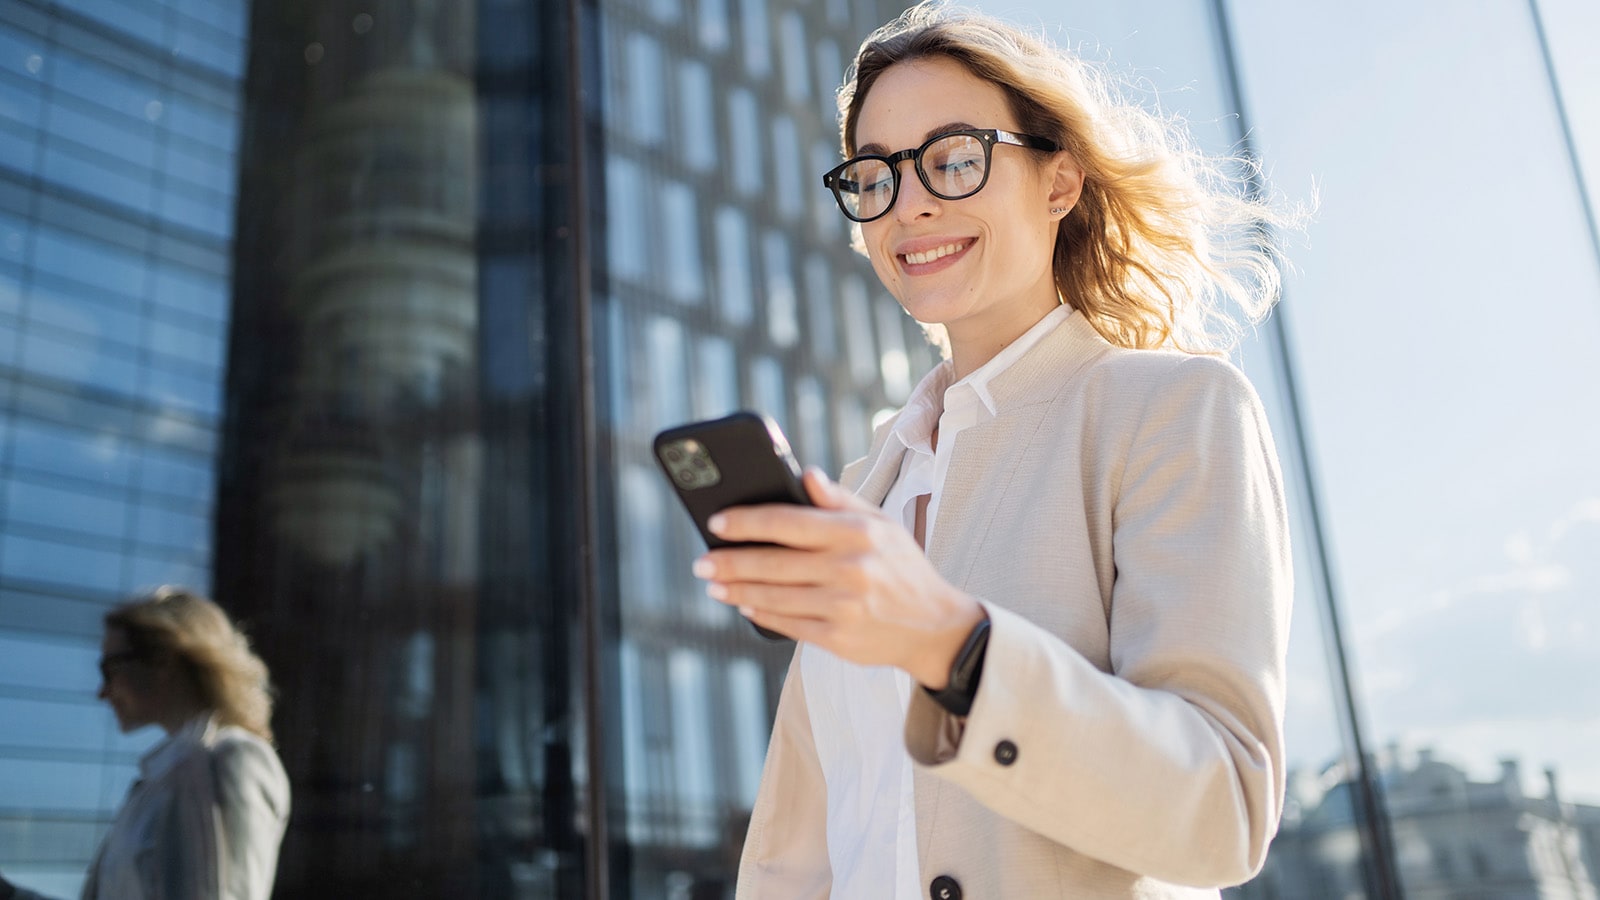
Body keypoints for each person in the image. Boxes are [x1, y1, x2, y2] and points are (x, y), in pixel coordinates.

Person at [692, 3, 1299, 897]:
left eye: (955, 159)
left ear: (1060, 183)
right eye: (875, 176)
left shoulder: (1175, 412)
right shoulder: (866, 491)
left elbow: (1223, 811)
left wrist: (953, 644)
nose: (911, 204)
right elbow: (809, 846)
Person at [0, 588, 290, 900]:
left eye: (110, 668)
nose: (102, 691)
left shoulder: (230, 757)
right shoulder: (162, 778)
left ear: (162, 658)